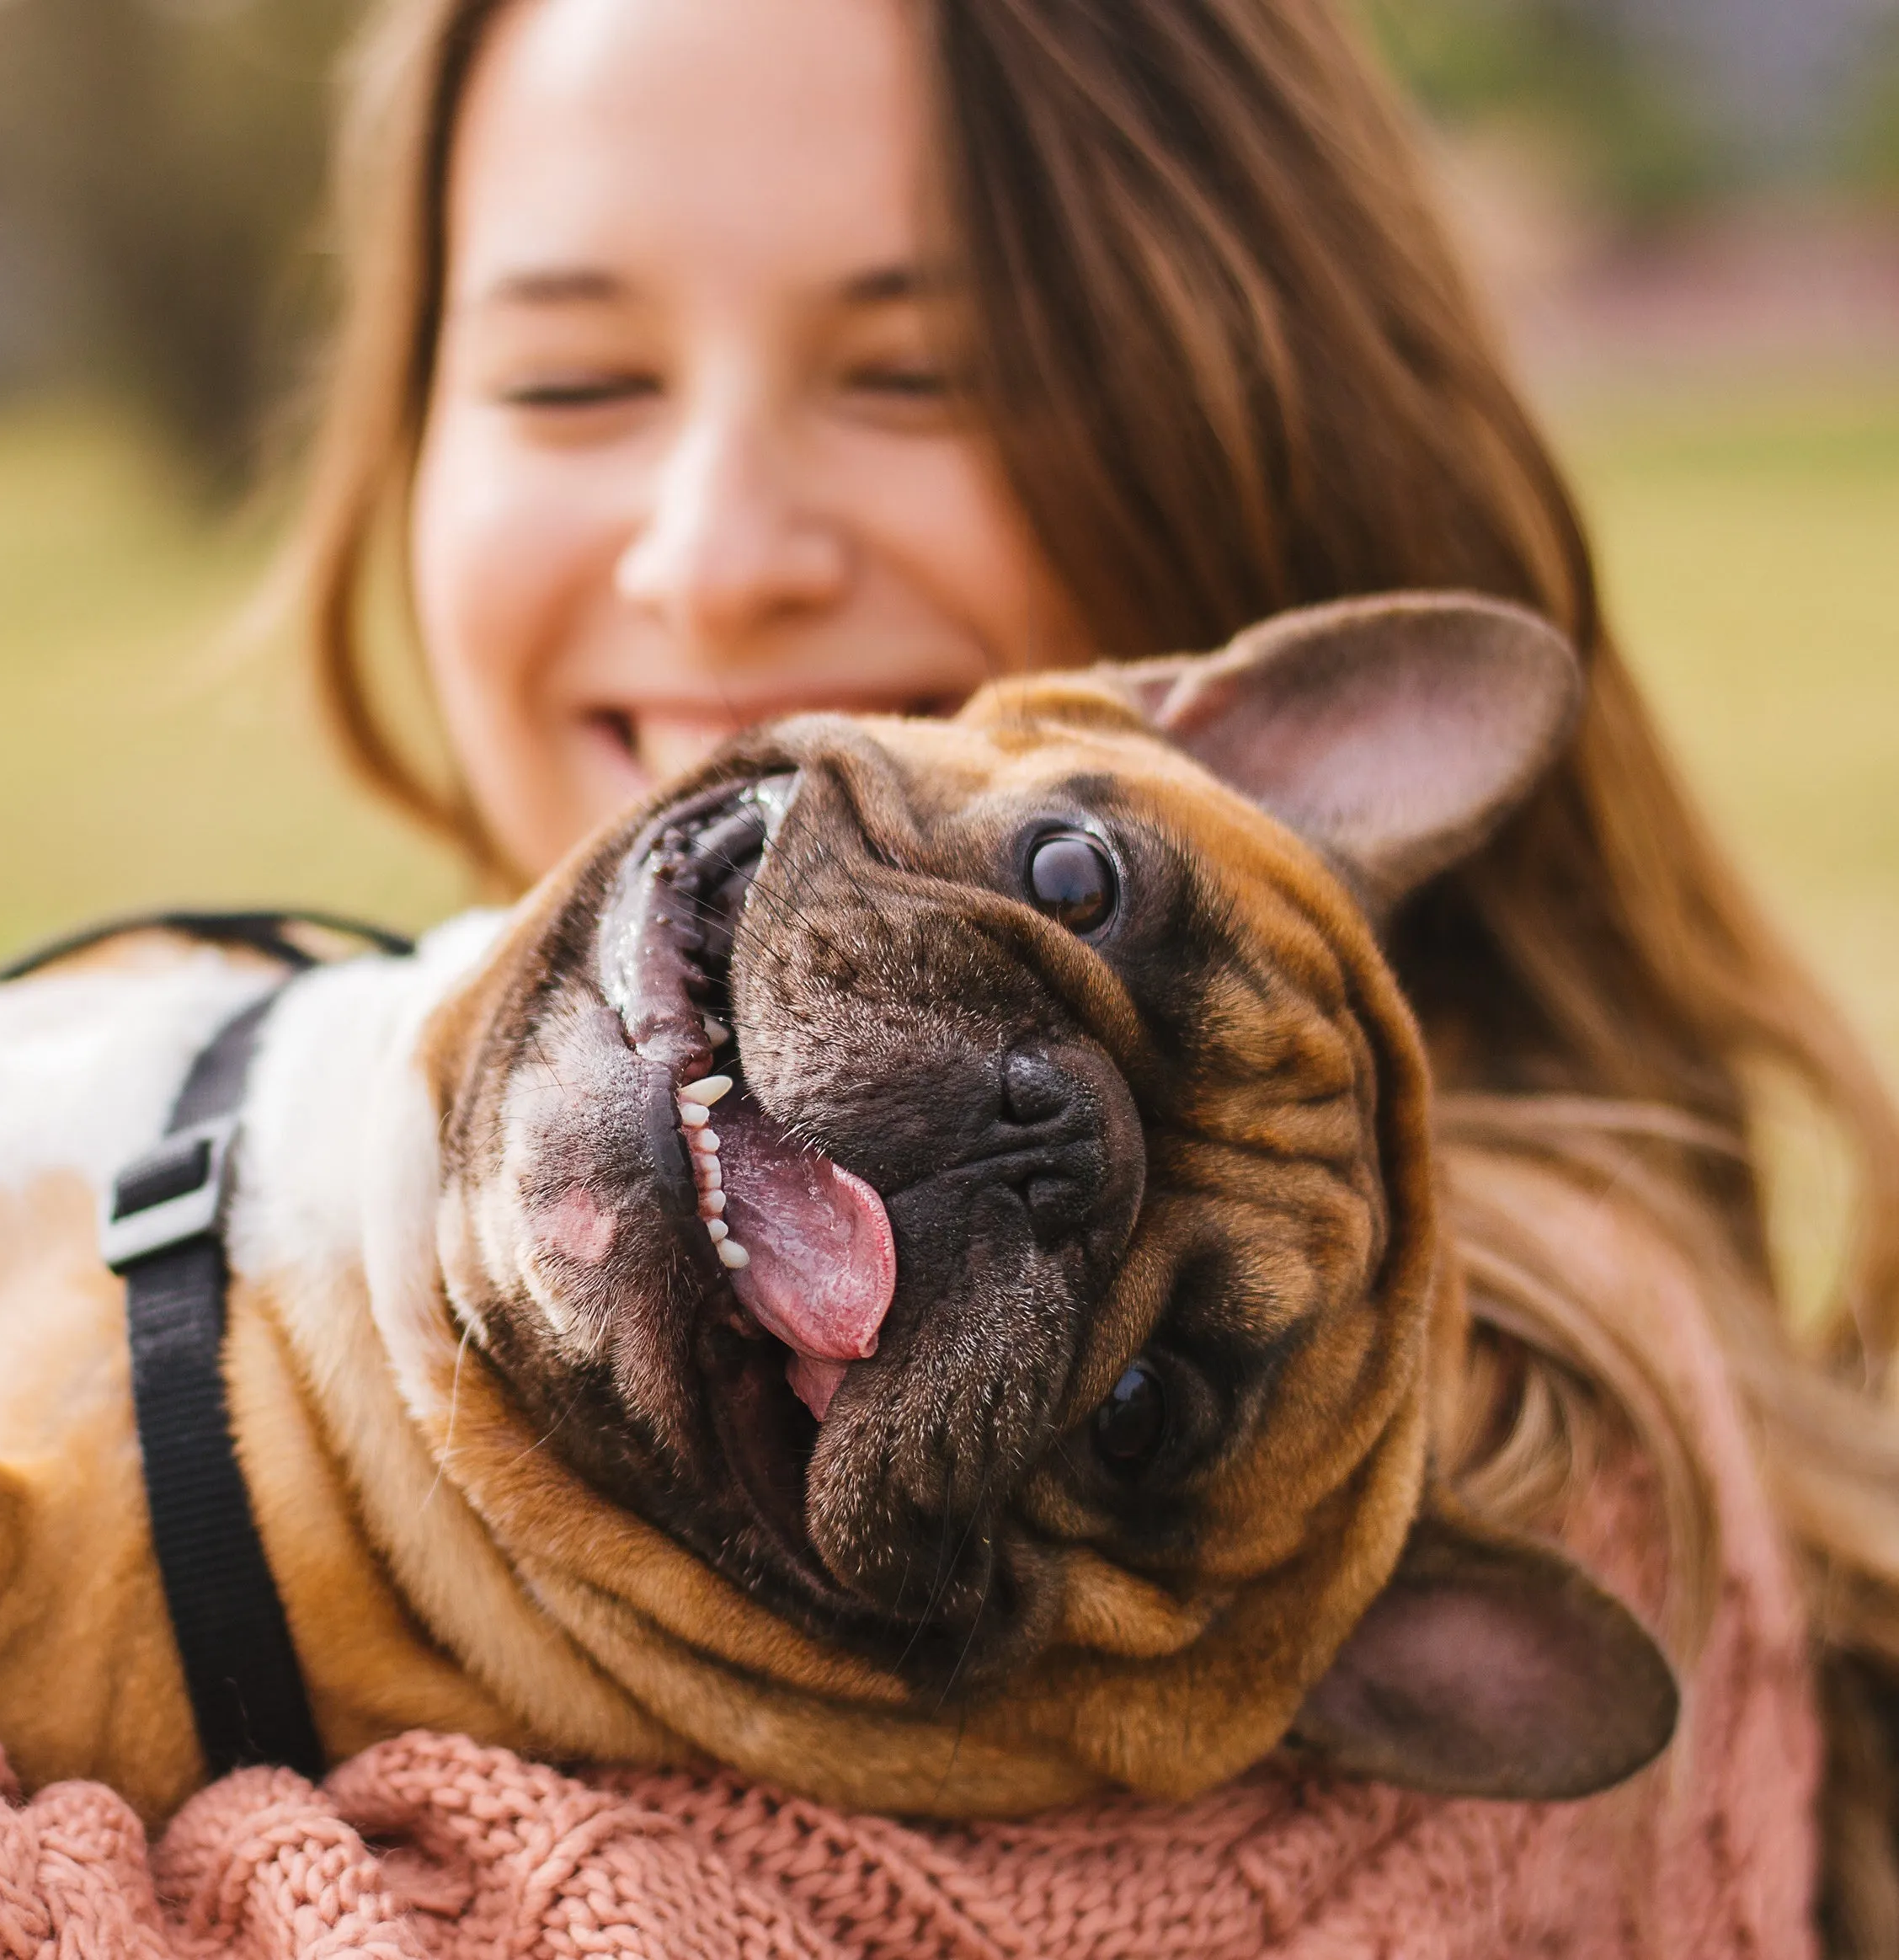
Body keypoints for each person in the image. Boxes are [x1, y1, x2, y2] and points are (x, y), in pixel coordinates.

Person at [277, 0, 1899, 1946]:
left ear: (1262, 435)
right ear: (395, 435)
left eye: (911, 376)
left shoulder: (1469, 1445)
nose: (710, 562)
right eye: (569, 382)